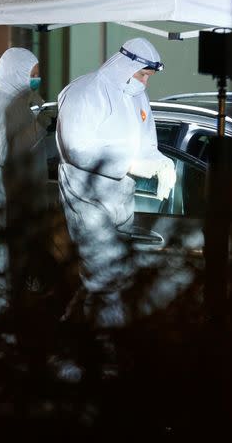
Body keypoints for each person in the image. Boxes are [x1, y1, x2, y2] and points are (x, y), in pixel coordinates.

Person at [56, 37, 175, 327]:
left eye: (149, 77)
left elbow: (146, 142)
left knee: (99, 280)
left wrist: (160, 162)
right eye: (143, 75)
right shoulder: (86, 91)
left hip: (120, 199)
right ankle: (108, 356)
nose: (145, 83)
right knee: (109, 279)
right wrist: (131, 164)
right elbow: (77, 149)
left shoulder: (137, 96)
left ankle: (67, 347)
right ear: (126, 65)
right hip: (87, 201)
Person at [0, 47, 46, 285]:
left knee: (12, 269)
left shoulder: (14, 104)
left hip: (12, 198)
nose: (35, 79)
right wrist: (39, 127)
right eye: (32, 74)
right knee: (0, 270)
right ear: (16, 73)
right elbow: (5, 153)